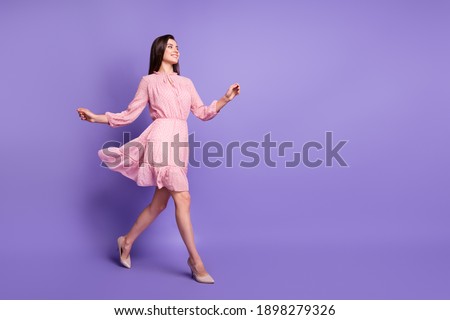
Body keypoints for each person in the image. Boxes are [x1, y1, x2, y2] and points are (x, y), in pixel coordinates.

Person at [76, 34, 240, 284]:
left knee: (159, 205)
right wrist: (96, 117)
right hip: (160, 139)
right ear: (159, 50)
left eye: (178, 47)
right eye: (171, 46)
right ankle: (196, 261)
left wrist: (225, 99)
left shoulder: (186, 82)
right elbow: (129, 115)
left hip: (180, 143)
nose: (176, 50)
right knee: (183, 197)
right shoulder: (148, 82)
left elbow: (202, 113)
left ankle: (126, 241)